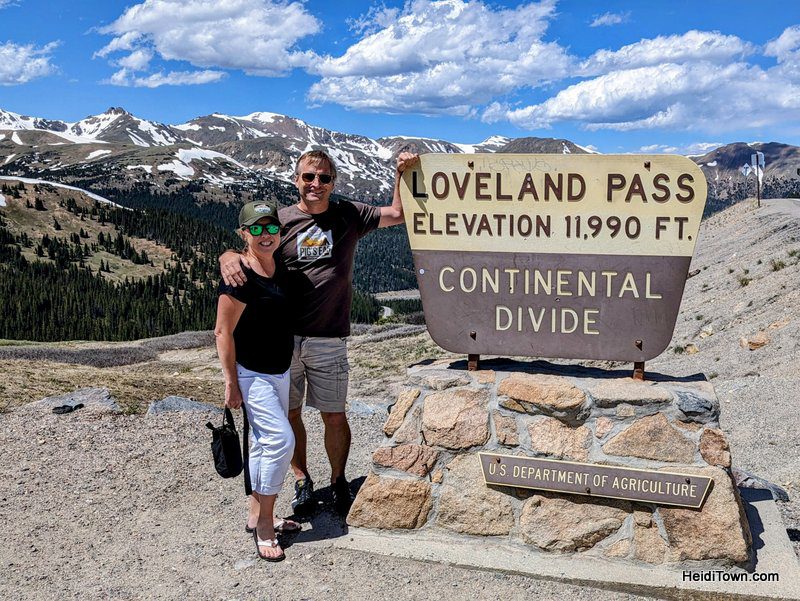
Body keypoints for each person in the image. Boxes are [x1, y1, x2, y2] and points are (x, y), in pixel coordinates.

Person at [220, 149, 419, 515]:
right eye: (309, 177)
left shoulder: (349, 214)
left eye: (324, 178)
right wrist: (227, 256)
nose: (316, 184)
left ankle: (339, 480)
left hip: (329, 336)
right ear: (296, 180)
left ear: (333, 183)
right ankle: (302, 480)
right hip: (284, 339)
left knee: (334, 415)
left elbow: (398, 213)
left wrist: (401, 172)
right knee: (291, 414)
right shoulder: (279, 221)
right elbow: (252, 245)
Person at [214, 200, 301, 562]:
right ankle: (265, 524)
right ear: (244, 233)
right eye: (257, 229)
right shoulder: (238, 278)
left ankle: (256, 513)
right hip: (253, 374)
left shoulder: (279, 267)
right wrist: (231, 382)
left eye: (271, 228)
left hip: (279, 371)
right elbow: (222, 331)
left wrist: (226, 253)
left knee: (263, 445)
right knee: (281, 441)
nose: (266, 235)